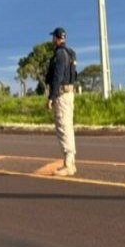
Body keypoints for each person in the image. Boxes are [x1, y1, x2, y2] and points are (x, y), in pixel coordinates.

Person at [45, 27, 78, 176]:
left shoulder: (59, 54)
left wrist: (51, 98)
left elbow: (57, 77)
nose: (52, 39)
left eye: (53, 37)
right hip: (69, 94)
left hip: (62, 95)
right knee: (68, 128)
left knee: (63, 128)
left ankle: (68, 165)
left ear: (57, 38)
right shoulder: (70, 53)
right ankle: (71, 162)